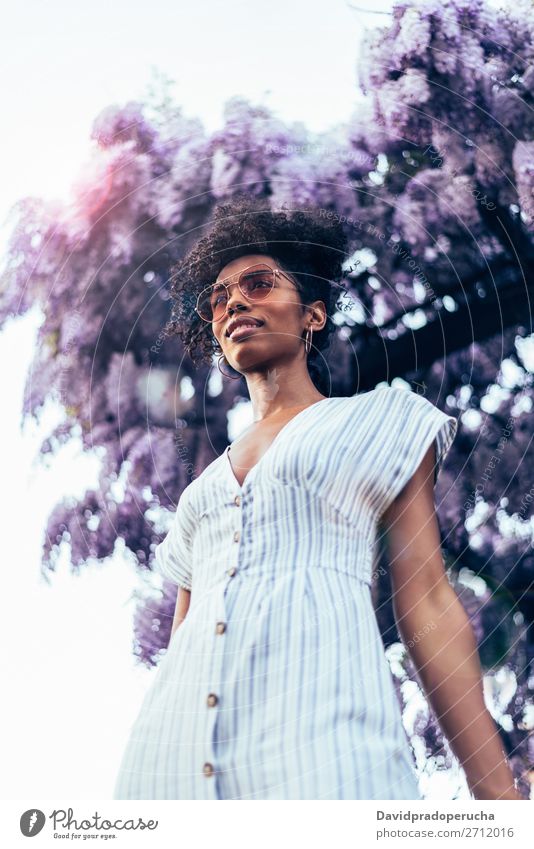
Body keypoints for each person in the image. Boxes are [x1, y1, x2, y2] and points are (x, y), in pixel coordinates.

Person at [113, 196, 523, 800]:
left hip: (323, 740)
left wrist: (499, 801)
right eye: (220, 299)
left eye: (257, 284)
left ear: (312, 316)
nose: (235, 305)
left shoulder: (383, 419)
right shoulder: (202, 492)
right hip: (169, 767)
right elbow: (185, 640)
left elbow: (428, 602)